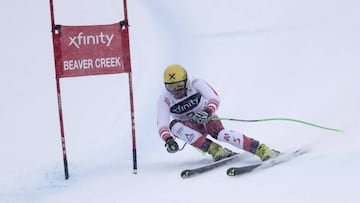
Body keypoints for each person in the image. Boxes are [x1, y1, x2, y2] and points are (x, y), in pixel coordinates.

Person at [157, 64, 279, 162]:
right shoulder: (164, 98)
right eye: (170, 87)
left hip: (205, 118)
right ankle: (215, 150)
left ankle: (261, 149)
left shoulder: (195, 83)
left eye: (179, 85)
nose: (175, 91)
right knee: (174, 126)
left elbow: (214, 98)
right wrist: (168, 140)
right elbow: (162, 124)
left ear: (186, 81)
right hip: (189, 127)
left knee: (220, 133)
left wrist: (207, 111)